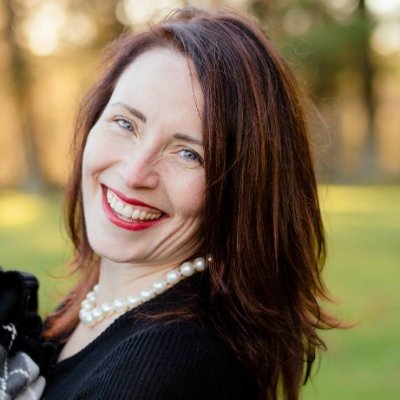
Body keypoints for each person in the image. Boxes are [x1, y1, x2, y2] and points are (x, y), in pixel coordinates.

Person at [40, 6, 341, 400]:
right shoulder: (93, 311)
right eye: (125, 123)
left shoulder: (168, 369)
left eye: (188, 154)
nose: (134, 173)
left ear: (242, 191)